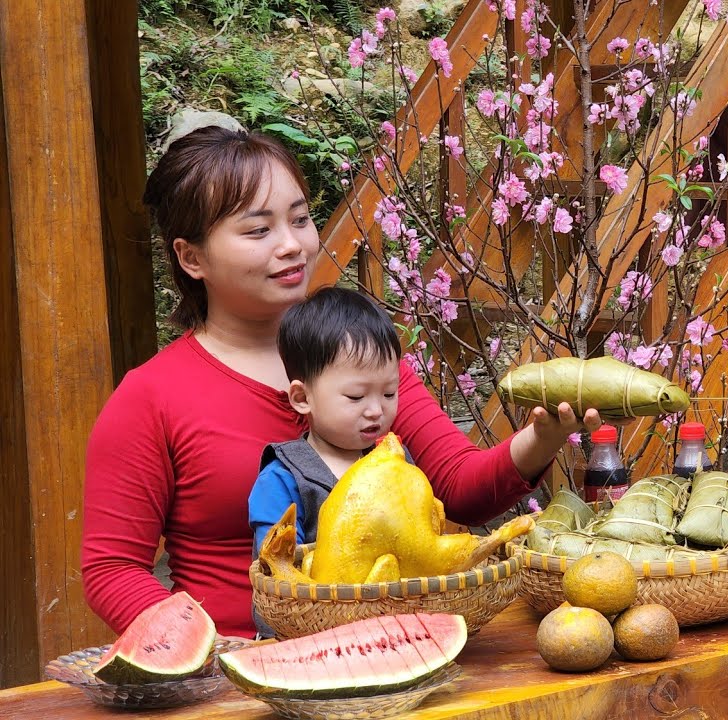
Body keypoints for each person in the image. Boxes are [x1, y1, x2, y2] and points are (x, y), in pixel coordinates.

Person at [82, 126, 602, 639]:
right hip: (238, 662)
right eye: (259, 230)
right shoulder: (151, 397)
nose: (293, 245)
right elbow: (112, 569)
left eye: (300, 219)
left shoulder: (364, 365)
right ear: (191, 258)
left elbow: (461, 489)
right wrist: (204, 649)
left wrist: (542, 438)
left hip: (391, 646)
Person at [248, 285, 408, 556]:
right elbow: (278, 565)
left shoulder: (396, 460)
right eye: (356, 396)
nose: (376, 410)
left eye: (389, 393)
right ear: (302, 398)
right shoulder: (284, 479)